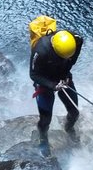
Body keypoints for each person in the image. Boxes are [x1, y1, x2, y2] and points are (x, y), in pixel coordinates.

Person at [29, 29, 84, 157]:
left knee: (74, 112)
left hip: (63, 77)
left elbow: (72, 60)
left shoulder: (76, 41)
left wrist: (65, 75)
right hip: (45, 82)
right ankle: (43, 138)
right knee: (46, 118)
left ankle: (69, 128)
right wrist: (52, 85)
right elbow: (33, 74)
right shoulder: (40, 50)